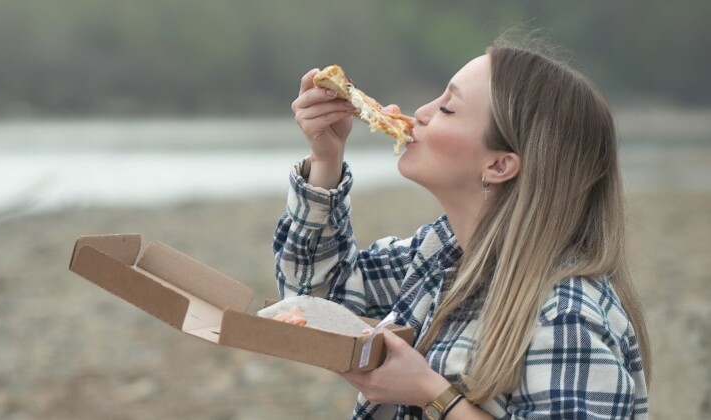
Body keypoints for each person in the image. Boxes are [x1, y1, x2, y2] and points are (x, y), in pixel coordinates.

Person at [274, 35, 650, 419]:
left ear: (500, 166)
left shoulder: (564, 318)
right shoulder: (441, 255)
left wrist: (431, 392)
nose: (419, 112)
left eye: (447, 108)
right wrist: (326, 159)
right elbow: (312, 302)